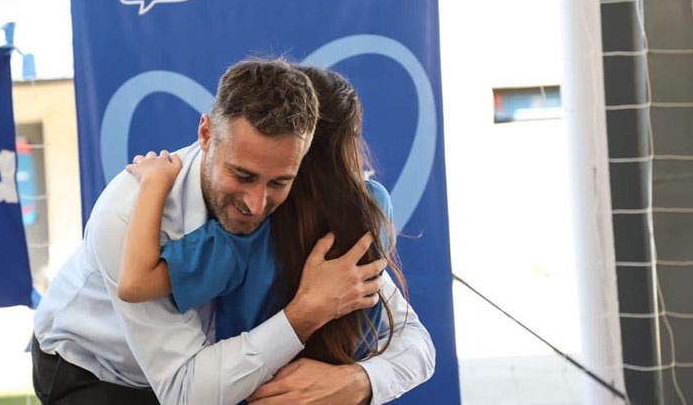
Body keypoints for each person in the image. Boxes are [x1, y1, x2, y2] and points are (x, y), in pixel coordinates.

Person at [32, 59, 434, 405]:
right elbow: (184, 388)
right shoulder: (130, 217)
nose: (257, 203)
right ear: (205, 135)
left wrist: (357, 382)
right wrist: (305, 313)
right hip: (101, 372)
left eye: (280, 181)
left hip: (218, 380)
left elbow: (416, 344)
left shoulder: (331, 230)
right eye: (242, 174)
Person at [117, 65, 426, 377]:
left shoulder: (241, 235)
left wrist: (154, 182)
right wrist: (361, 379)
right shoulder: (375, 207)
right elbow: (408, 336)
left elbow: (135, 282)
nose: (256, 201)